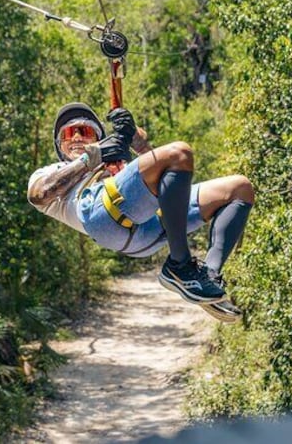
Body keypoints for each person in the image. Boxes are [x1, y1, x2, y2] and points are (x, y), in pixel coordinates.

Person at [27, 103, 254, 322]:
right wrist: (89, 160)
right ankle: (180, 266)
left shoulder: (113, 162)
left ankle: (205, 279)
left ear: (97, 137)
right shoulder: (51, 172)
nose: (76, 137)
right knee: (180, 152)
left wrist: (134, 139)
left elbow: (168, 176)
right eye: (69, 134)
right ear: (60, 145)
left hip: (145, 229)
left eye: (84, 131)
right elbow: (39, 195)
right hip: (101, 216)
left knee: (239, 188)